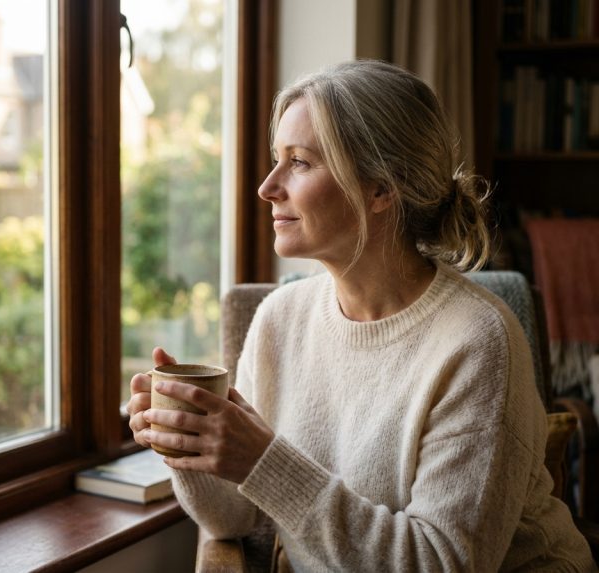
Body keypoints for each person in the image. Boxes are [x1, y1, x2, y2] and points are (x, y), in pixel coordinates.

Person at [126, 60, 595, 571]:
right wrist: (187, 446)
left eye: (299, 162)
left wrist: (262, 460)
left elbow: (441, 562)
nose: (267, 186)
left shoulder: (477, 340)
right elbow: (233, 520)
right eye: (275, 159)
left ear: (381, 188)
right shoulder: (279, 319)